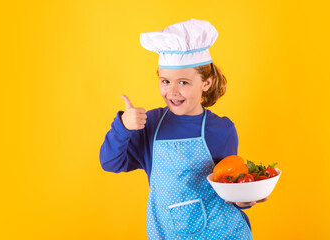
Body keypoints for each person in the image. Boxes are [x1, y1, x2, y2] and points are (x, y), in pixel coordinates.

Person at [99, 19, 266, 239]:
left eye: (183, 83)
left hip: (224, 233)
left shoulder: (222, 129)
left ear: (206, 83)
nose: (172, 91)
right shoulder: (150, 124)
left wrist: (244, 199)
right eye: (165, 81)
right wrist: (122, 127)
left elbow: (229, 186)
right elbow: (111, 162)